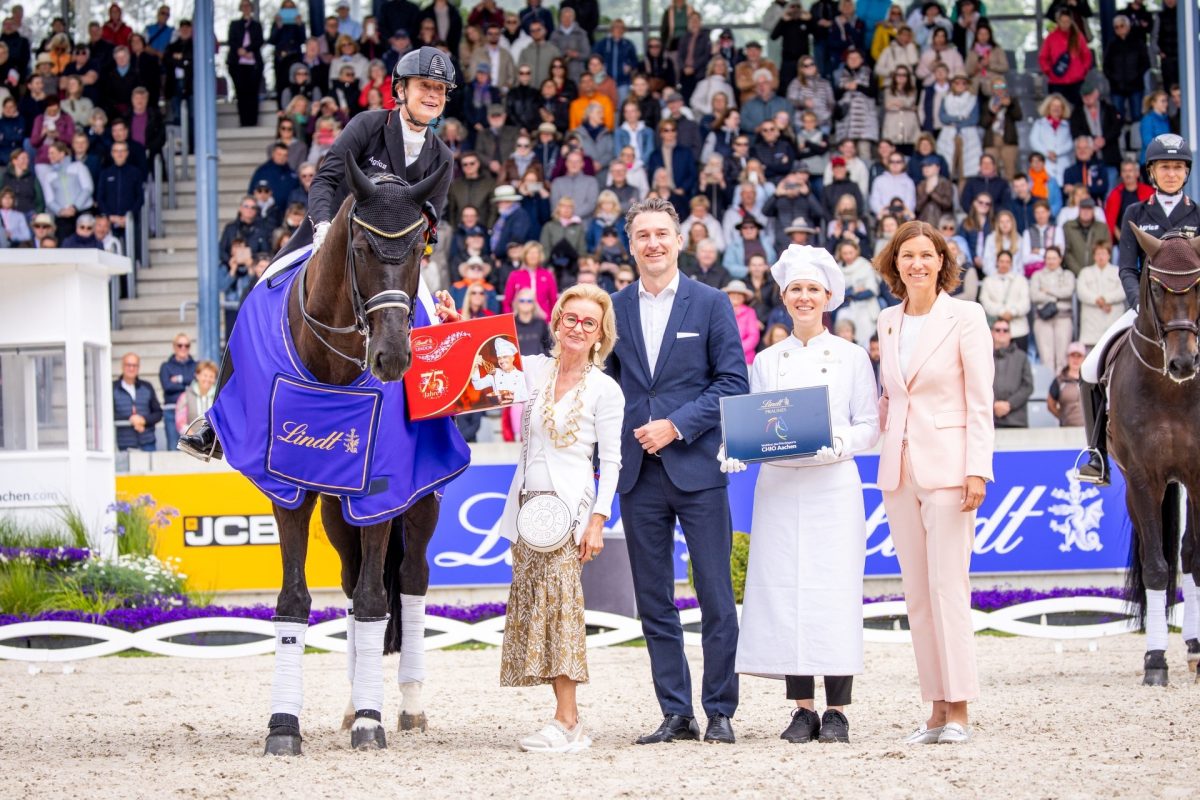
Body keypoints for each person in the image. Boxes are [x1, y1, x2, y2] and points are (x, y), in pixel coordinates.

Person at [178, 46, 458, 460]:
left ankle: (434, 440)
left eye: (440, 89)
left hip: (394, 261)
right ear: (401, 89)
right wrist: (323, 227)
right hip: (331, 238)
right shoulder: (368, 126)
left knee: (434, 321)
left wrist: (419, 261)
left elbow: (430, 221)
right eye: (425, 86)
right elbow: (326, 179)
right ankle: (217, 423)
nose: (433, 95)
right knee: (255, 300)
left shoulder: (443, 157)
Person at [720, 244, 878, 743]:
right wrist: (735, 447)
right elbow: (757, 421)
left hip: (833, 485)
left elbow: (869, 424)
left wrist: (841, 443)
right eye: (795, 289)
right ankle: (802, 708)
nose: (804, 297)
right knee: (785, 591)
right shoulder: (767, 360)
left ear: (828, 297)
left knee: (834, 592)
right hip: (780, 486)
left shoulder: (852, 356)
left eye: (813, 289)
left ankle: (837, 711)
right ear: (784, 298)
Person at [608, 196, 749, 745]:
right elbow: (599, 382)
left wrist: (676, 425)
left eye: (662, 233)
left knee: (715, 594)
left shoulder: (711, 303)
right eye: (643, 235)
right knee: (654, 601)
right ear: (631, 245)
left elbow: (733, 382)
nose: (653, 243)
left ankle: (719, 710)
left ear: (679, 240)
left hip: (697, 469)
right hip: (637, 475)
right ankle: (676, 711)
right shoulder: (613, 307)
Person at [466, 283, 623, 753]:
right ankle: (564, 720)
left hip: (570, 510)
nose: (578, 328)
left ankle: (568, 722)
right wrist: (454, 323)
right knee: (541, 610)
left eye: (589, 322)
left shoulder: (606, 390)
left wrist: (598, 519)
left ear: (601, 334)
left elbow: (612, 461)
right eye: (570, 318)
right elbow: (479, 357)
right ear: (556, 322)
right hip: (527, 508)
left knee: (561, 610)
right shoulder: (533, 369)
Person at [873, 219, 993, 745]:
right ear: (895, 264)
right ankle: (937, 710)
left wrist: (977, 468)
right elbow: (891, 396)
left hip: (949, 468)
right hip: (898, 471)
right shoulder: (887, 321)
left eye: (926, 255)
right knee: (918, 596)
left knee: (948, 588)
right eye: (907, 255)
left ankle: (960, 709)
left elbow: (980, 400)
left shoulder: (966, 316)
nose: (917, 263)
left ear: (941, 261)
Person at [1075, 133, 1200, 483]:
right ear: (1152, 172)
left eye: (1178, 168)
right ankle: (1097, 454)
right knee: (1089, 368)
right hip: (1147, 310)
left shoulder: (1197, 215)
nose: (1171, 174)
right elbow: (1127, 268)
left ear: (1186, 172)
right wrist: (1138, 304)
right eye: (1165, 167)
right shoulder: (1136, 213)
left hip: (1190, 316)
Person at [1029, 245, 1075, 375]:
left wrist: (1048, 291)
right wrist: (1057, 297)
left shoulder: (1067, 275)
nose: (1051, 261)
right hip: (1043, 318)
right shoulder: (1037, 275)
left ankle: (1062, 385)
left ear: (1060, 259)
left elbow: (1068, 291)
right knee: (1046, 358)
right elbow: (1034, 295)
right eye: (1048, 258)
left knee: (1062, 358)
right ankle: (1049, 386)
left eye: (1054, 258)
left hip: (1063, 318)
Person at [1076, 242, 1125, 349]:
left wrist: (1106, 298)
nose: (1101, 257)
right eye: (1098, 254)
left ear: (1109, 255)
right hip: (1091, 327)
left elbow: (1122, 291)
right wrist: (1097, 300)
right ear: (1094, 256)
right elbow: (1081, 292)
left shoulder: (1118, 271)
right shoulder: (1085, 272)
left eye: (1103, 253)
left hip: (1112, 322)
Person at [113, 352, 163, 452]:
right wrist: (131, 419)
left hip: (147, 442)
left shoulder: (147, 386)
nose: (131, 368)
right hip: (124, 444)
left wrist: (143, 420)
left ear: (138, 367)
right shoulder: (113, 388)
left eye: (134, 365)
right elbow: (109, 414)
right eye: (128, 365)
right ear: (122, 366)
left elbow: (158, 413)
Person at [226, 0, 265, 128]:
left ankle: (253, 121)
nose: (246, 8)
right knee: (241, 93)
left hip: (253, 64)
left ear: (251, 8)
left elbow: (259, 41)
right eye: (243, 6)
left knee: (253, 93)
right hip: (237, 64)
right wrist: (240, 51)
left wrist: (248, 50)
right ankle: (243, 122)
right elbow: (231, 40)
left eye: (248, 5)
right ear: (240, 8)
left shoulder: (257, 25)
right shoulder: (234, 24)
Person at [990, 318, 1032, 428]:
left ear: (1010, 334)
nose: (1001, 333)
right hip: (990, 420)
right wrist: (993, 404)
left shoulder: (1021, 357)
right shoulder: (984, 357)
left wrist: (1009, 405)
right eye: (998, 330)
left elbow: (1028, 386)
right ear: (992, 333)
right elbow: (978, 384)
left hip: (1017, 421)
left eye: (1005, 330)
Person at [175, 359, 219, 435]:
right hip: (192, 439)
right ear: (197, 375)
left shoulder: (219, 398)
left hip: (215, 439)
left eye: (211, 376)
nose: (208, 379)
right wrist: (194, 437)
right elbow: (180, 423)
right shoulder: (185, 396)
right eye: (205, 375)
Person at [1047, 342, 1086, 426]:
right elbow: (1050, 404)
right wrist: (1062, 417)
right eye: (1073, 356)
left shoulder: (1089, 379)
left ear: (1084, 358)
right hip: (1067, 427)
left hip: (1088, 428)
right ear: (1067, 358)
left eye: (1079, 356)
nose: (1075, 359)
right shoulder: (1059, 380)